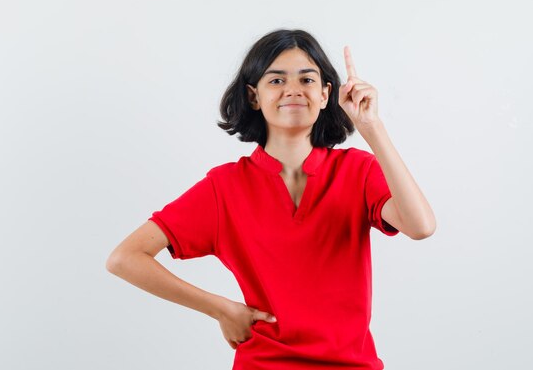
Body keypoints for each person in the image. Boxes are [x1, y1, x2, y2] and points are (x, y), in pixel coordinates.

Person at [106, 29, 436, 370]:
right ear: (254, 97)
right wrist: (220, 308)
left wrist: (372, 127)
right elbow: (125, 258)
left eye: (307, 79)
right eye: (276, 81)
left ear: (326, 94)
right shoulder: (224, 186)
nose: (293, 89)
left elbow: (421, 226)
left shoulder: (358, 171)